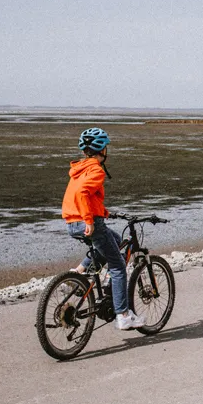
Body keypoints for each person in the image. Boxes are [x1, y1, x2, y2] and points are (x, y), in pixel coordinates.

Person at [61, 127, 143, 331]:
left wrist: (103, 212)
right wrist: (90, 220)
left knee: (114, 241)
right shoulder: (96, 169)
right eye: (106, 147)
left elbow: (81, 197)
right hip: (88, 223)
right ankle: (123, 315)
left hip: (72, 223)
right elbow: (83, 194)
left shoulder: (79, 169)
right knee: (117, 266)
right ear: (102, 149)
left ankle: (78, 273)